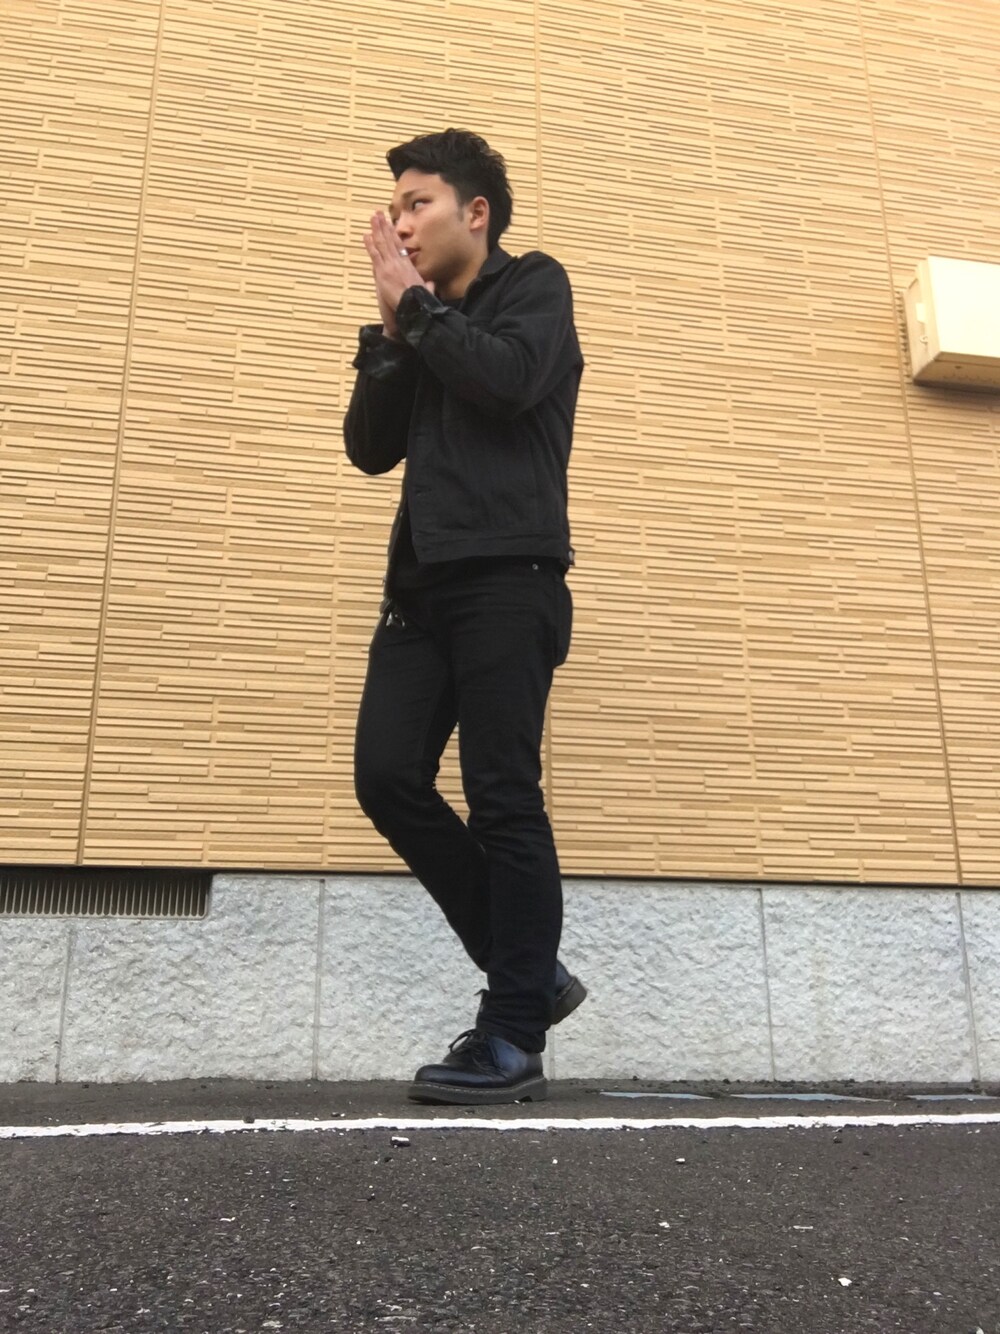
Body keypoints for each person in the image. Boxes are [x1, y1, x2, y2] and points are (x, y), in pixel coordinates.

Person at [343, 128, 585, 1105]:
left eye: (419, 204)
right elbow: (369, 448)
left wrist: (416, 310)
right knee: (387, 775)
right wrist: (392, 340)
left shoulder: (534, 287)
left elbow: (508, 380)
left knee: (502, 795)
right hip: (421, 590)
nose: (400, 223)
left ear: (474, 213)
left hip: (507, 580)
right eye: (395, 208)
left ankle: (513, 1034)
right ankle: (533, 973)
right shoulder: (424, 321)